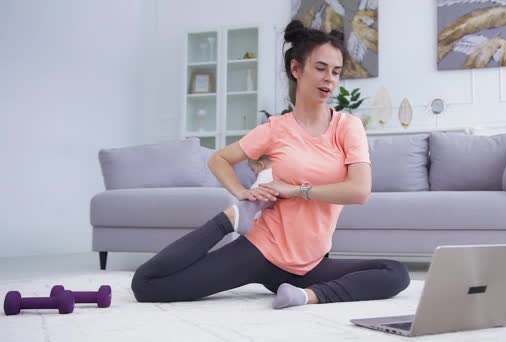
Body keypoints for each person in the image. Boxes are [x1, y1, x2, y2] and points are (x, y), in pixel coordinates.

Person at [131, 19, 410, 309]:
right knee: (146, 285)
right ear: (296, 69)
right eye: (321, 68)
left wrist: (294, 190)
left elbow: (359, 191)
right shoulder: (276, 129)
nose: (330, 79)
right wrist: (241, 194)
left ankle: (305, 297)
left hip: (309, 266)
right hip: (262, 249)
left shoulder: (348, 127)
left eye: (336, 71)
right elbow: (219, 159)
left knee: (395, 272)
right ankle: (229, 220)